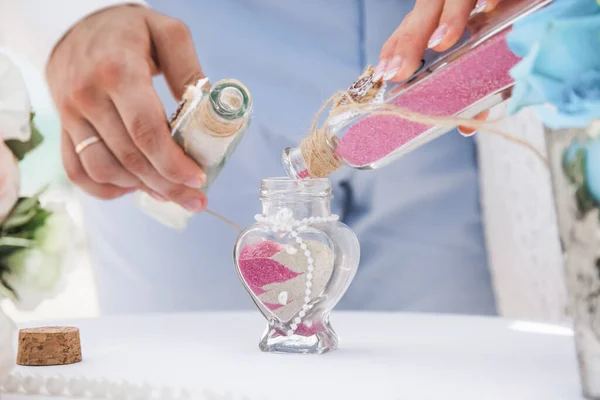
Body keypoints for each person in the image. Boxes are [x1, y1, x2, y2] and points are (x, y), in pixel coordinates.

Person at [0, 0, 498, 315]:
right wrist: (76, 16)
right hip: (181, 66)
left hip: (448, 63)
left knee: (452, 364)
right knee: (198, 370)